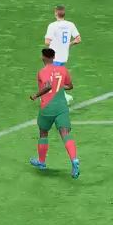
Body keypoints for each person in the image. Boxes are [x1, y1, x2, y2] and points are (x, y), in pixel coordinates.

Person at [28, 47, 79, 179]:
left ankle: (41, 162)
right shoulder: (63, 69)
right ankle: (74, 160)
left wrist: (35, 95)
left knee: (43, 132)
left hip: (48, 107)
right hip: (62, 106)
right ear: (54, 57)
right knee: (65, 133)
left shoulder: (43, 71)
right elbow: (70, 86)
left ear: (43, 57)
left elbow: (48, 86)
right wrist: (59, 86)